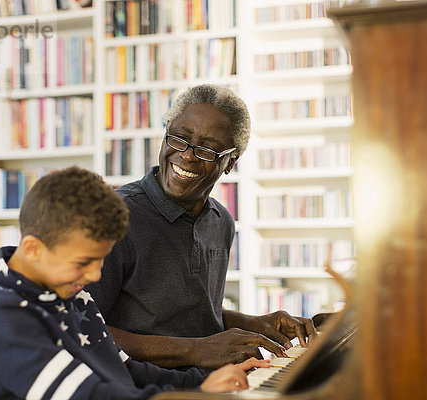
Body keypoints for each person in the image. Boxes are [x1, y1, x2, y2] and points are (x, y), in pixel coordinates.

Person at [0, 166, 269, 400]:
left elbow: (125, 370)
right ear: (34, 249)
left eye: (100, 260)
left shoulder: (67, 288)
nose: (94, 276)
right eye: (83, 262)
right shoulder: (5, 315)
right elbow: (92, 396)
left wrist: (204, 383)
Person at [86, 84, 318, 371]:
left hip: (211, 383)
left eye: (208, 149)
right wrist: (196, 350)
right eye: (179, 138)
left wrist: (256, 323)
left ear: (230, 162)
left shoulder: (221, 222)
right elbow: (83, 330)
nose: (187, 155)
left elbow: (192, 314)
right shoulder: (113, 217)